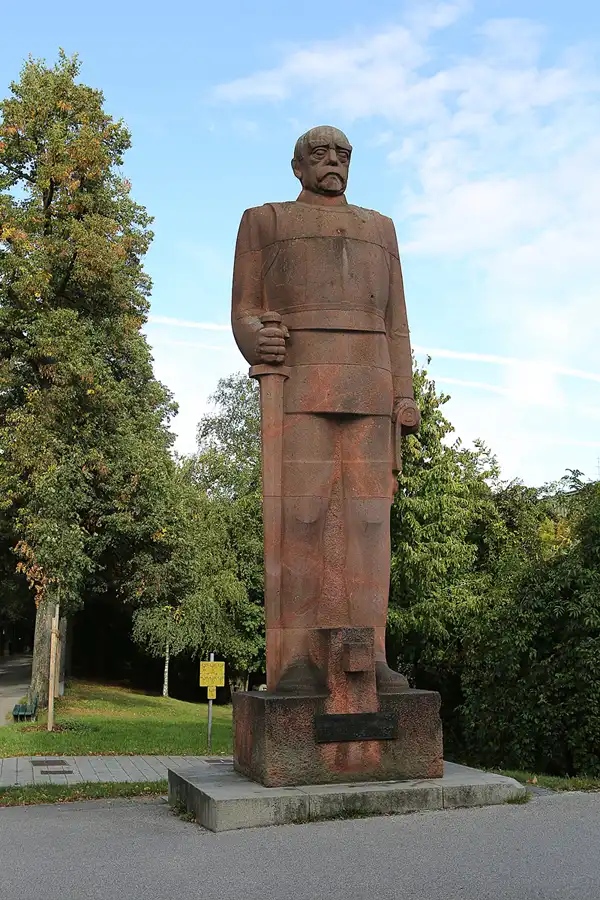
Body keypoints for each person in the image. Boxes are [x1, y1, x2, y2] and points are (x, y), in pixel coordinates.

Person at [232, 125, 419, 694]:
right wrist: (254, 338)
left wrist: (405, 393)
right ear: (298, 166)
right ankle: (298, 659)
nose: (333, 161)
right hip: (300, 382)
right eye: (320, 153)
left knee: (370, 523)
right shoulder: (264, 221)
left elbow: (397, 324)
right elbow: (245, 310)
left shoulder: (380, 229)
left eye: (343, 154)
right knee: (302, 518)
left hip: (370, 384)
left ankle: (371, 655)